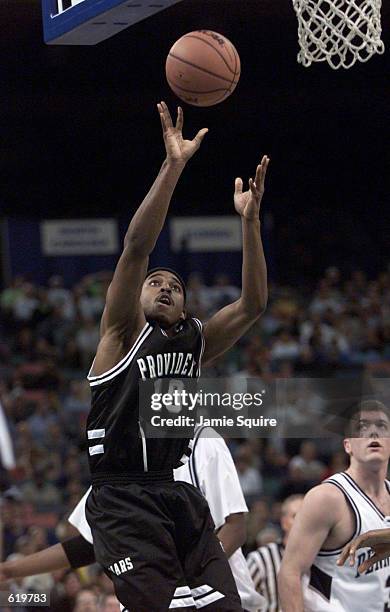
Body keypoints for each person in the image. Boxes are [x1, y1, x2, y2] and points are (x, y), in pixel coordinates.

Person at [72, 101, 269, 611]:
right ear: (137, 296)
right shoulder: (119, 333)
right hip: (121, 499)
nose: (163, 287)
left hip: (176, 496)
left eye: (174, 284)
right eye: (155, 283)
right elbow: (137, 248)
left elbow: (252, 305)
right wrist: (173, 165)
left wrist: (249, 223)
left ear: (184, 303)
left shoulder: (194, 342)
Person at [0, 426, 265, 611]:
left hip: (216, 600)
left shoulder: (201, 441)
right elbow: (89, 545)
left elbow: (235, 528)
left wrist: (180, 588)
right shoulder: (115, 469)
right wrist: (9, 570)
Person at [278, 399, 390, 612]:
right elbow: (289, 573)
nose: (373, 433)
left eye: (382, 427)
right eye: (362, 427)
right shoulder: (328, 498)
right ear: (348, 445)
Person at [246, 495, 303, 611]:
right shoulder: (261, 559)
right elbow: (243, 603)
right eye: (295, 516)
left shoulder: (322, 559)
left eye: (307, 517)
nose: (302, 522)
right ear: (284, 522)